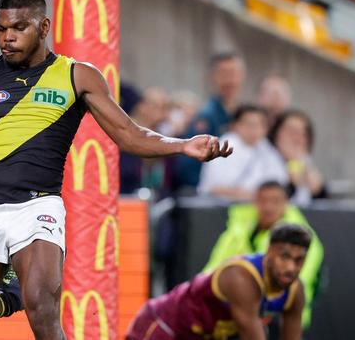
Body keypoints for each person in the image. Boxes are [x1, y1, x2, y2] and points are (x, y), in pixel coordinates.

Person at [0, 0, 232, 340]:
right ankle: (9, 297)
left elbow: (128, 134)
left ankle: (20, 293)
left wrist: (182, 145)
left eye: (18, 28)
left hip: (38, 205)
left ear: (43, 28)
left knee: (42, 306)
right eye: (1, 29)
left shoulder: (77, 76)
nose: (7, 38)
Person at [126, 224, 310, 340]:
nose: (290, 267)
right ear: (269, 251)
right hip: (165, 326)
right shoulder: (241, 277)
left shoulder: (295, 291)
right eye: (284, 257)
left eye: (298, 260)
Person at [203, 181, 323, 328]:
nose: (268, 207)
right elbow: (214, 267)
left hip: (279, 317)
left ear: (286, 203)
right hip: (235, 312)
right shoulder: (238, 229)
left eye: (275, 201)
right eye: (263, 200)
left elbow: (296, 283)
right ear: (255, 201)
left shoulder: (301, 239)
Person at [172, 52, 246, 190]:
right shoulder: (207, 117)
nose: (230, 81)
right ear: (213, 77)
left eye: (234, 73)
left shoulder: (245, 114)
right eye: (224, 74)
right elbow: (188, 165)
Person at [198, 105, 287, 200]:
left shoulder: (266, 148)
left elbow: (280, 181)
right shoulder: (223, 146)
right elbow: (215, 188)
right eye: (249, 124)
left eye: (259, 125)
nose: (254, 130)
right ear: (235, 125)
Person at [269, 110, 327, 205]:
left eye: (303, 134)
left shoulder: (305, 160)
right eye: (292, 132)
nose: (297, 138)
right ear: (276, 133)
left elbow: (321, 202)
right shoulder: (263, 156)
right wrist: (292, 184)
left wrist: (319, 189)